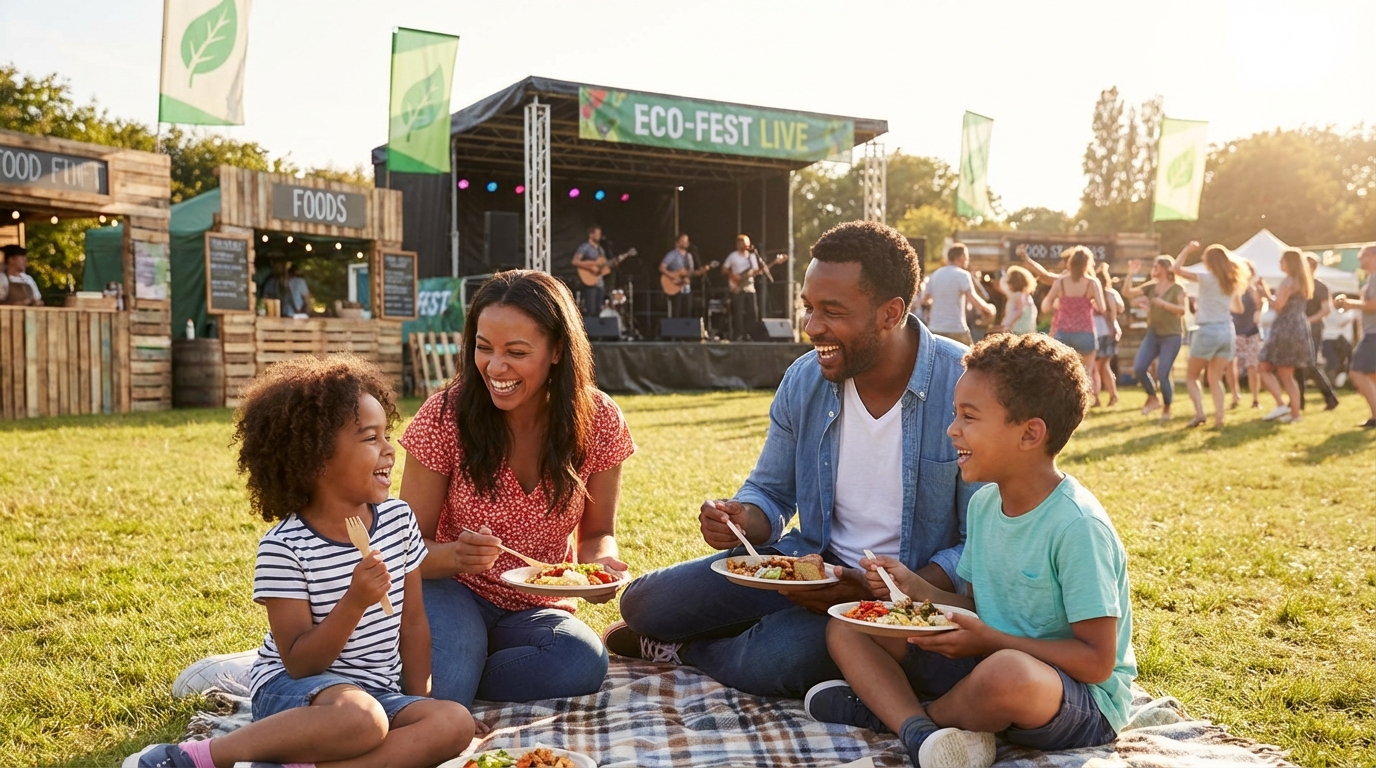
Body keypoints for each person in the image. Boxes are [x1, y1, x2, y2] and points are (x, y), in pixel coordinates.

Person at [608, 220, 976, 698]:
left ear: (891, 313)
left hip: (901, 596)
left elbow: (983, 542)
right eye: (808, 308)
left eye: (832, 311)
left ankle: (689, 651)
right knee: (643, 604)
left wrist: (878, 589)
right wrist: (743, 518)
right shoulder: (805, 379)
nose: (811, 326)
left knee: (775, 660)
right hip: (807, 564)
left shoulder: (964, 386)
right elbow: (771, 492)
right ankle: (745, 625)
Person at [806, 333, 1133, 768]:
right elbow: (978, 606)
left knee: (1008, 673)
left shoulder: (1076, 526)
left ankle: (903, 720)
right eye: (955, 414)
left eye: (969, 417)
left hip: (1071, 698)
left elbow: (1096, 662)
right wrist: (917, 589)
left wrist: (992, 640)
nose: (952, 428)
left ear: (1030, 433)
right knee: (850, 625)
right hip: (987, 661)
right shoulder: (983, 505)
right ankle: (924, 735)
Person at [129, 356, 474, 768]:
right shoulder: (285, 548)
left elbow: (413, 623)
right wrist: (355, 601)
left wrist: (419, 702)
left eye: (387, 434)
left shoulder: (398, 521)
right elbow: (299, 661)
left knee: (454, 722)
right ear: (317, 459)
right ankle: (200, 756)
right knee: (362, 720)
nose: (389, 449)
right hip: (297, 691)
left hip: (377, 694)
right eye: (370, 438)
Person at [397, 270, 635, 706]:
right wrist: (455, 555)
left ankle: (459, 665)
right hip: (452, 588)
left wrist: (601, 569)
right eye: (483, 348)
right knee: (444, 693)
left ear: (558, 350)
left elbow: (597, 533)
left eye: (517, 352)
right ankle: (453, 666)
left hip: (536, 605)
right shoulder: (445, 415)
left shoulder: (599, 419)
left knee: (582, 659)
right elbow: (402, 548)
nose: (494, 367)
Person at [1172, 242, 1245, 429]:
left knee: (1191, 376)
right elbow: (1239, 308)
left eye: (1204, 257)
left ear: (1211, 260)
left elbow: (1176, 269)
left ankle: (1200, 414)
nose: (1203, 259)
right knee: (1215, 377)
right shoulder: (1231, 281)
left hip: (1207, 330)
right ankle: (1219, 418)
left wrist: (1187, 249)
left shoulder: (1206, 278)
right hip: (1226, 331)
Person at [1123, 256, 1187, 423]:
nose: (1154, 269)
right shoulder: (1151, 286)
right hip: (1153, 334)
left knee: (1162, 373)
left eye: (1156, 266)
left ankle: (1167, 408)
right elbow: (1127, 293)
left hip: (1171, 336)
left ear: (1166, 269)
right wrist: (1130, 274)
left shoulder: (1177, 288)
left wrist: (1163, 304)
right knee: (1139, 367)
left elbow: (1182, 310)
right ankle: (1153, 397)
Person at [1258, 249, 1315, 424]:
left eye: (1282, 261)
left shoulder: (1288, 281)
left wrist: (1265, 293)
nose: (1279, 264)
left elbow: (1277, 306)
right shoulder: (1303, 281)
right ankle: (1295, 414)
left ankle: (1281, 404)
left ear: (1289, 263)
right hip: (1298, 327)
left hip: (1284, 328)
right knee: (1287, 375)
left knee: (1263, 367)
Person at [1041, 247, 1105, 378]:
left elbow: (1046, 306)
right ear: (1087, 264)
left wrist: (1058, 305)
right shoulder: (1092, 283)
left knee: (1061, 372)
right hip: (1085, 331)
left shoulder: (1061, 281)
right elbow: (1102, 308)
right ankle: (1085, 398)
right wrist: (1091, 303)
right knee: (1086, 373)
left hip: (1063, 331)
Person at [917, 244, 995, 346]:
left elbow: (924, 300)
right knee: (968, 359)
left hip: (935, 328)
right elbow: (972, 298)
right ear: (961, 257)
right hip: (956, 329)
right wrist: (988, 309)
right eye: (966, 256)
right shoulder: (963, 275)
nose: (967, 259)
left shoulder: (935, 274)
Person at [1334, 245, 1376, 428]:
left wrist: (1350, 303)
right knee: (1372, 375)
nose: (1360, 260)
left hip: (1374, 333)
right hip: (1370, 331)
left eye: (1363, 256)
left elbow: (1373, 304)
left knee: (1356, 371)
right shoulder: (1370, 278)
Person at [1294, 253, 1340, 411]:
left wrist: (1308, 321)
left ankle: (1330, 397)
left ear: (1313, 267)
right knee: (1297, 364)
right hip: (1298, 327)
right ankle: (1298, 401)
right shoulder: (1297, 284)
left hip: (1313, 328)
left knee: (1310, 363)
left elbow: (1326, 310)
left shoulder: (1320, 286)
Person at [1227, 261, 1265, 410]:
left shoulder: (1253, 289)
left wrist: (1254, 287)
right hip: (1234, 331)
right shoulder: (1232, 288)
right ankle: (1235, 395)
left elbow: (1259, 306)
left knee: (1252, 366)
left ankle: (1255, 399)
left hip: (1251, 332)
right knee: (1231, 365)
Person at [1091, 263, 1124, 408]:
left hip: (1099, 332)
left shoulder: (1096, 294)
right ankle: (1112, 394)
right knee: (1104, 366)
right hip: (1111, 331)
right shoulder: (1112, 294)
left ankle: (1097, 397)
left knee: (1096, 367)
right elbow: (1121, 308)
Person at [722, 235, 762, 340]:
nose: (745, 245)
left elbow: (756, 270)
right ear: (737, 244)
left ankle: (749, 335)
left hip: (749, 287)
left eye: (746, 243)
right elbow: (724, 269)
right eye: (742, 243)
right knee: (738, 313)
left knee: (752, 312)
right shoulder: (733, 256)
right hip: (737, 287)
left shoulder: (752, 256)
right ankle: (738, 335)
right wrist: (733, 276)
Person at [660, 233, 705, 319]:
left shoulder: (689, 256)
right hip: (675, 286)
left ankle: (685, 332)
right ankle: (675, 331)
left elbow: (691, 272)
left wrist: (701, 271)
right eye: (683, 241)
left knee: (687, 312)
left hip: (687, 288)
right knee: (676, 312)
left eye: (687, 241)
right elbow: (662, 268)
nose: (686, 243)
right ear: (677, 243)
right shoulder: (672, 254)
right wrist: (674, 276)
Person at [571, 225, 608, 317]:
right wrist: (590, 268)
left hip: (600, 282)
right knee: (591, 309)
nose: (599, 235)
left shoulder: (601, 249)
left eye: (600, 233)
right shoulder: (585, 247)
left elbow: (602, 265)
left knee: (599, 310)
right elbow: (575, 261)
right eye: (597, 233)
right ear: (591, 235)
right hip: (589, 281)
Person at [998, 265, 1038, 336]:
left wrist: (1005, 325)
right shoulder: (1027, 297)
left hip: (1016, 331)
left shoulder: (1017, 295)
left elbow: (1018, 311)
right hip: (1028, 332)